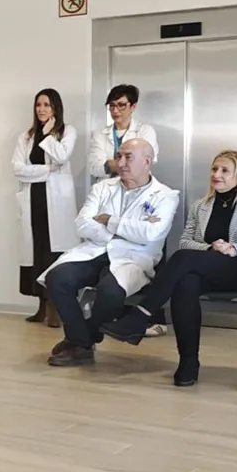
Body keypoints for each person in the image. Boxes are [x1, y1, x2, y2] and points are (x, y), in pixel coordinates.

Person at [98, 150, 237, 386]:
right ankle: (188, 361)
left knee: (183, 259)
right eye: (214, 169)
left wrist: (235, 249)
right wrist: (210, 248)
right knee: (186, 283)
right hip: (210, 266)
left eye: (225, 171)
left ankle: (141, 315)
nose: (216, 175)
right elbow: (185, 241)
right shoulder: (201, 206)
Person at [40, 138, 178, 367]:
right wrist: (123, 232)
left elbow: (150, 234)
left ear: (147, 161)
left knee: (110, 292)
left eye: (128, 157)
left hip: (133, 258)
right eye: (118, 156)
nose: (120, 163)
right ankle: (81, 342)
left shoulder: (165, 196)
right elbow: (82, 224)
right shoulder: (103, 187)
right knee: (57, 278)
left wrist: (109, 220)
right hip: (96, 250)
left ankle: (82, 339)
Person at [10, 88, 78, 326]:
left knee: (53, 253)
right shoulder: (26, 136)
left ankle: (54, 307)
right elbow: (17, 168)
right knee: (36, 251)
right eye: (38, 104)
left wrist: (49, 135)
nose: (41, 109)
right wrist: (47, 171)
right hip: (33, 199)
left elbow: (61, 157)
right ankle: (41, 305)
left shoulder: (67, 131)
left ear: (55, 108)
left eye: (47, 105)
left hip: (56, 202)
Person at [87, 84, 158, 183]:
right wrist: (129, 162)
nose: (115, 110)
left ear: (133, 106)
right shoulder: (99, 134)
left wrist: (109, 165)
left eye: (121, 105)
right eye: (112, 105)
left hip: (137, 186)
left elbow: (147, 161)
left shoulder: (145, 131)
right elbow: (94, 167)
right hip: (107, 188)